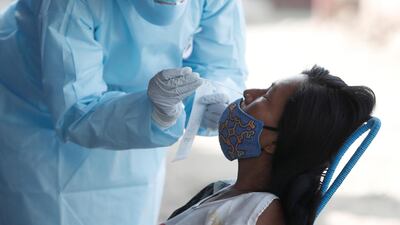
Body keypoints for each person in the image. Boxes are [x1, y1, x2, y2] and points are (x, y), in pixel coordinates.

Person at [0, 0, 247, 225]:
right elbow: (77, 110)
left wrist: (212, 101)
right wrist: (156, 113)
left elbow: (219, 64)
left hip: (136, 128)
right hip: (35, 128)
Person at [161, 66, 376, 225]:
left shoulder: (256, 214)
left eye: (265, 97)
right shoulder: (224, 191)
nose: (248, 93)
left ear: (274, 142)